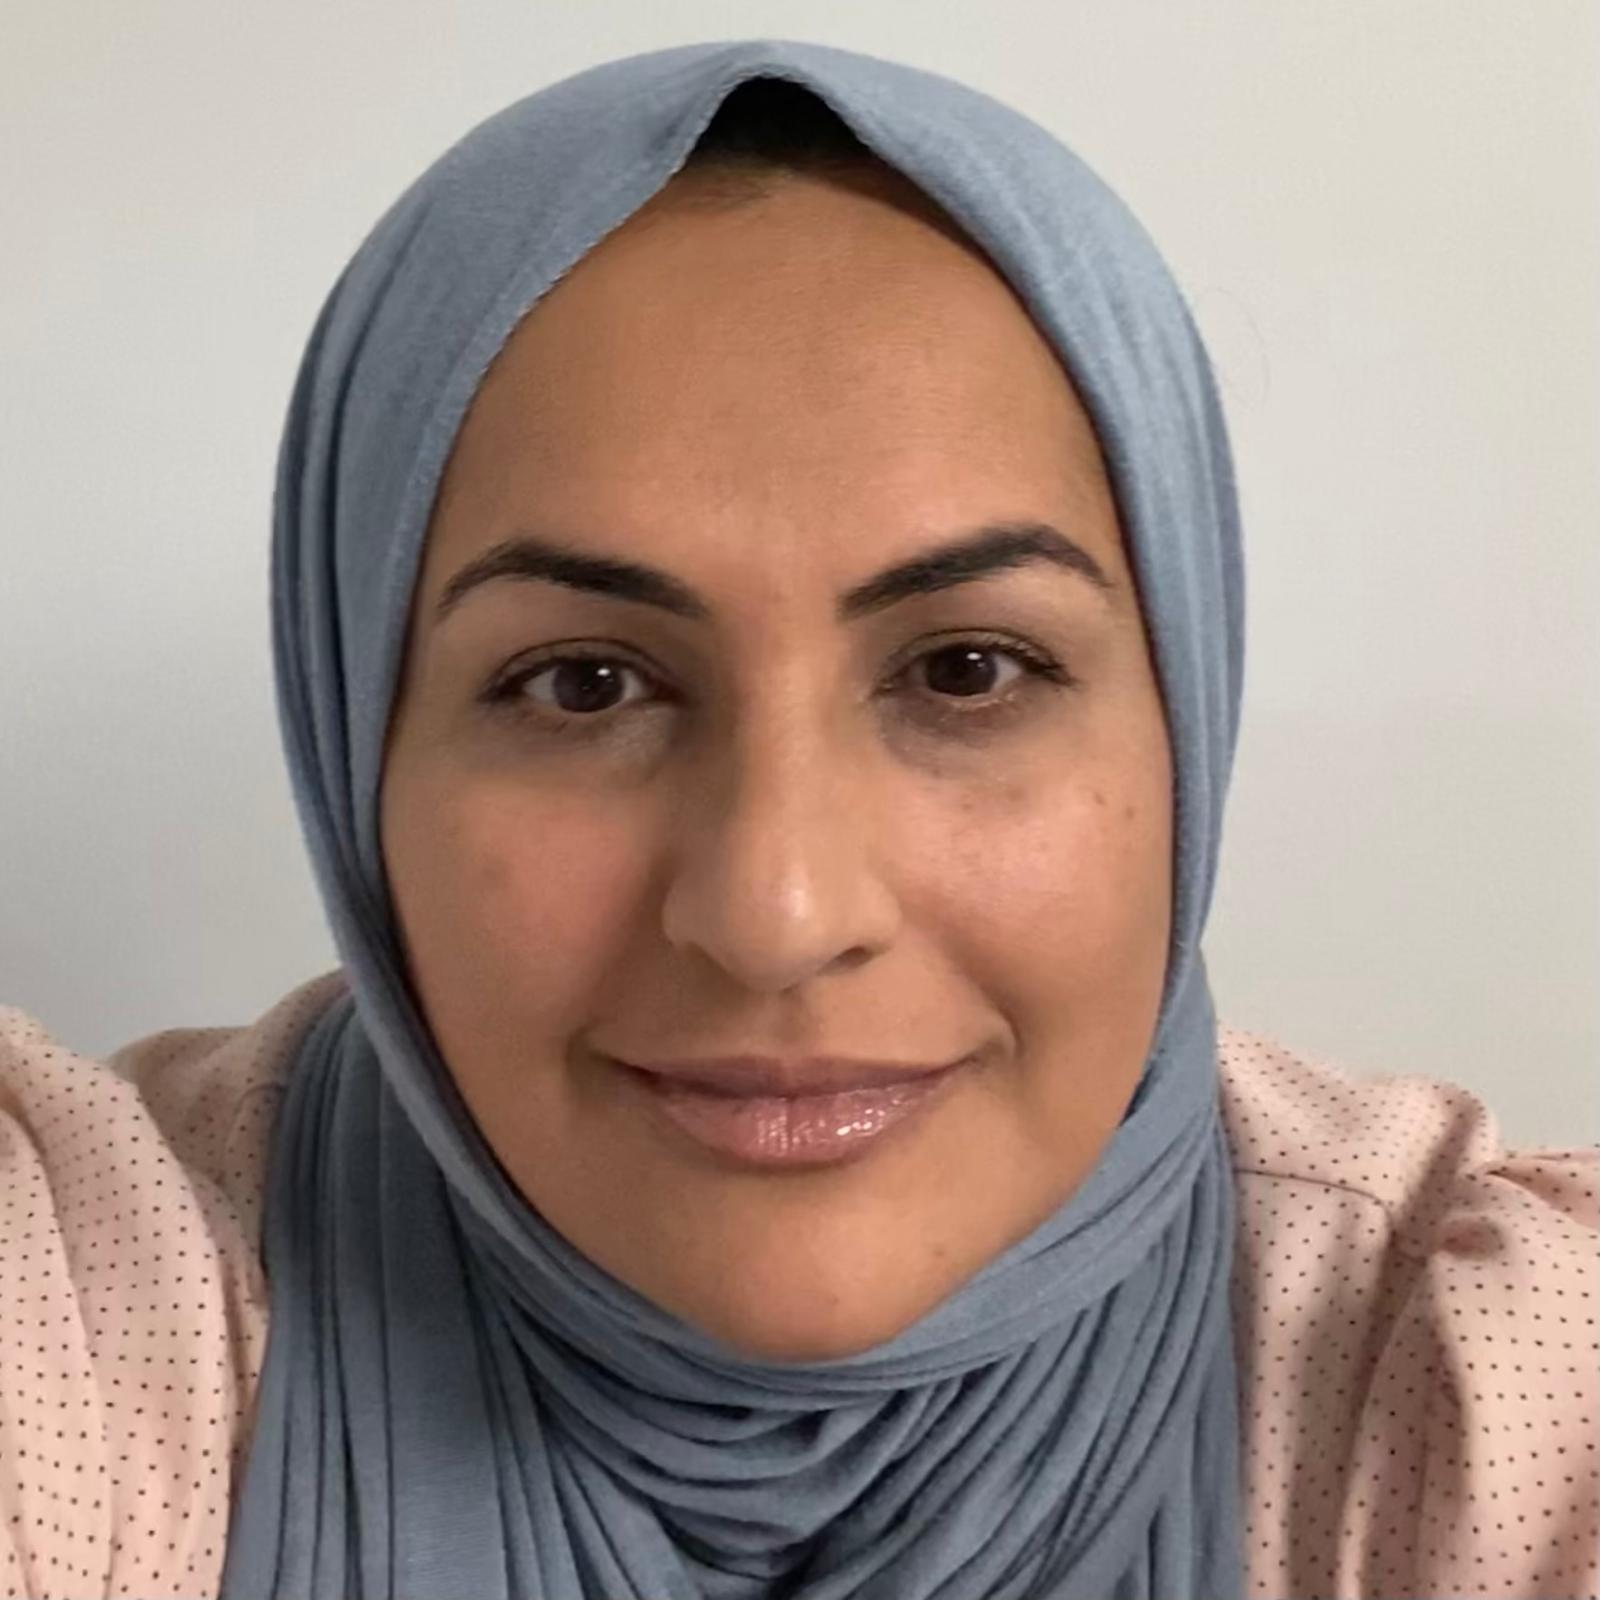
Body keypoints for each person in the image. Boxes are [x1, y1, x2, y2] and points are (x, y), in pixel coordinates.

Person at [1, 38, 1594, 1600]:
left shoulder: (1491, 1389)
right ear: (357, 746)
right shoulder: (94, 1304)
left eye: (968, 669)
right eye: (582, 686)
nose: (777, 913)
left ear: (1188, 713)